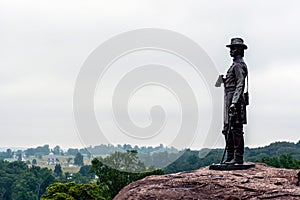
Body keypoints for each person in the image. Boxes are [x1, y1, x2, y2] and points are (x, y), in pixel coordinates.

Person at [222, 38, 248, 165]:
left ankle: (237, 157)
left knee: (235, 128)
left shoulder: (238, 65)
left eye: (233, 48)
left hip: (234, 99)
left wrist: (234, 102)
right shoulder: (234, 65)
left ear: (239, 50)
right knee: (227, 128)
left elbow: (240, 84)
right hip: (229, 97)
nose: (231, 51)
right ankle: (230, 155)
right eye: (230, 48)